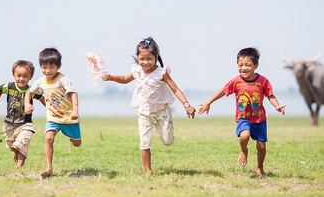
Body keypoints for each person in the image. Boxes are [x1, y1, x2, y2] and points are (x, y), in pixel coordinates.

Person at [103, 37, 196, 176]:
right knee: (144, 142)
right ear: (137, 58)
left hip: (162, 112)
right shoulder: (137, 71)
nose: (145, 62)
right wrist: (110, 77)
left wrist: (187, 105)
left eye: (149, 59)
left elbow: (175, 89)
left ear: (156, 57)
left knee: (167, 141)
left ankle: (167, 130)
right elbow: (124, 79)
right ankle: (148, 171)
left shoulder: (162, 73)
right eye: (142, 59)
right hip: (144, 114)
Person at [198, 47, 286, 177]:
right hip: (243, 117)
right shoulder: (236, 81)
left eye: (248, 65)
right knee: (244, 136)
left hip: (260, 119)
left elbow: (270, 96)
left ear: (256, 65)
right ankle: (243, 151)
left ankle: (259, 168)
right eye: (240, 65)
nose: (243, 68)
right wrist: (208, 102)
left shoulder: (263, 81)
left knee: (261, 147)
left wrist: (277, 106)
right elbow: (223, 91)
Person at [25, 48, 81, 178]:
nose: (47, 70)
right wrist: (27, 103)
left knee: (77, 143)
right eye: (44, 67)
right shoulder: (40, 81)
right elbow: (29, 92)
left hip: (69, 117)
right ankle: (48, 168)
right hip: (52, 118)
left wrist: (75, 110)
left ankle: (71, 136)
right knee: (48, 138)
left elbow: (73, 93)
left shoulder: (63, 80)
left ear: (58, 66)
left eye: (51, 67)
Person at [0, 60, 45, 168]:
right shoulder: (9, 86)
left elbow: (42, 98)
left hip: (25, 123)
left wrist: (50, 108)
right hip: (10, 123)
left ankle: (19, 168)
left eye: (25, 76)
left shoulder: (32, 90)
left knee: (22, 144)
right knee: (12, 145)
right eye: (18, 76)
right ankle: (16, 151)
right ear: (13, 75)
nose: (21, 79)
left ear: (30, 77)